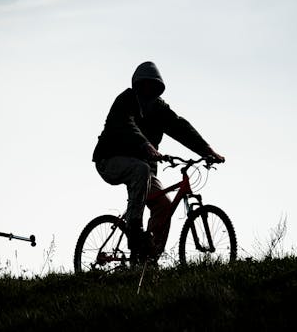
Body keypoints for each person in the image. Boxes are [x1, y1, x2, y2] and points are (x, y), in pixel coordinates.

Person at [92, 61, 225, 262]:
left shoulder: (159, 109)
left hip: (142, 167)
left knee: (164, 204)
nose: (149, 91)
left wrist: (207, 150)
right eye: (145, 85)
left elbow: (181, 127)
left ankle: (149, 258)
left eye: (153, 87)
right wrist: (146, 145)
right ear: (138, 85)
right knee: (141, 170)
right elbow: (126, 124)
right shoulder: (125, 100)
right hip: (109, 160)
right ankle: (134, 229)